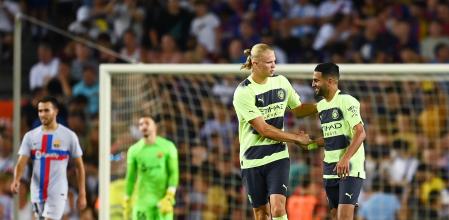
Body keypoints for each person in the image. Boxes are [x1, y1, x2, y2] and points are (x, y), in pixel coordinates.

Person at [233, 43, 316, 220]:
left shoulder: (281, 82)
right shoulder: (243, 92)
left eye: (274, 61)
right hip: (251, 160)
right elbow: (263, 129)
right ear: (255, 64)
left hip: (277, 156)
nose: (274, 66)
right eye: (269, 62)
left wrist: (324, 105)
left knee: (278, 208)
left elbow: (299, 109)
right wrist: (295, 138)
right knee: (261, 213)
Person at [10, 96, 86, 220]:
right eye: (40, 111)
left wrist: (82, 193)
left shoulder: (69, 136)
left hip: (57, 191)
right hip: (36, 192)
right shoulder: (30, 136)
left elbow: (79, 166)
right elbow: (21, 162)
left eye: (46, 110)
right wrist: (16, 179)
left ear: (56, 111)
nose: (42, 114)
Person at [309, 62, 366, 220]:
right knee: (334, 215)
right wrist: (310, 143)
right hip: (329, 168)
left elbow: (360, 133)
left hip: (349, 167)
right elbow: (331, 138)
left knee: (344, 217)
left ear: (331, 81)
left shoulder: (347, 101)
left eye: (316, 80)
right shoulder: (321, 106)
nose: (313, 84)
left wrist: (345, 158)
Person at [123, 116, 179, 220]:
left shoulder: (168, 147)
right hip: (142, 202)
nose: (143, 126)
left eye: (147, 123)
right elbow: (130, 177)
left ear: (155, 126)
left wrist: (170, 194)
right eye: (140, 124)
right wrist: (127, 198)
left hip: (163, 201)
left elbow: (173, 172)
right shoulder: (134, 150)